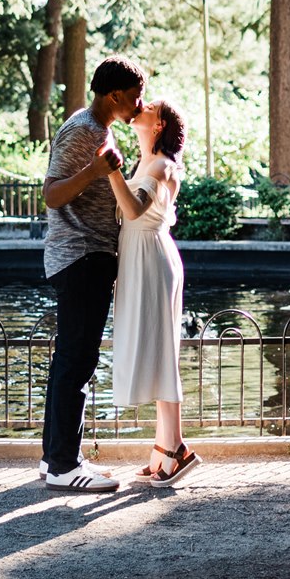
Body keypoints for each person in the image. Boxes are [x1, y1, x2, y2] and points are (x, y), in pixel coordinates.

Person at [38, 54, 146, 491]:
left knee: (71, 360)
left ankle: (56, 459)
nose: (140, 105)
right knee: (76, 362)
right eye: (136, 98)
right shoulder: (83, 131)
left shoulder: (99, 129)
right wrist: (95, 170)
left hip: (90, 257)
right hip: (80, 256)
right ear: (115, 95)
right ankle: (64, 468)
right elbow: (51, 195)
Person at [104, 99, 201, 487]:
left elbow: (132, 209)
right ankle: (165, 448)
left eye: (147, 107)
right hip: (144, 256)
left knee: (163, 355)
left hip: (152, 258)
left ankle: (176, 449)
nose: (138, 108)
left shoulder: (160, 165)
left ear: (158, 124)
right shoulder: (146, 164)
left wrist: (110, 171)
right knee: (161, 353)